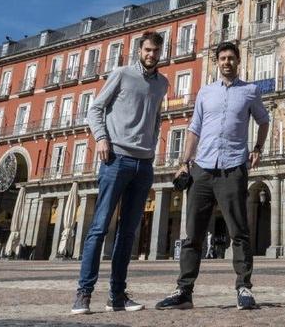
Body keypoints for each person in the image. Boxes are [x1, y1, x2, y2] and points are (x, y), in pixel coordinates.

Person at [156, 41, 270, 312]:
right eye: (222, 58)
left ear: (238, 61)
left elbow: (264, 121)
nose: (226, 62)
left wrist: (257, 148)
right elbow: (194, 130)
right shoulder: (205, 93)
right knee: (192, 234)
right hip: (202, 169)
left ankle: (244, 288)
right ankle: (184, 291)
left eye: (231, 58)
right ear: (217, 62)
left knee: (239, 231)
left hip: (233, 168)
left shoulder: (250, 92)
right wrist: (184, 163)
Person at [71, 31, 169, 316]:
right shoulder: (122, 74)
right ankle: (83, 293)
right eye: (148, 50)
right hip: (116, 159)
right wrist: (101, 138)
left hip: (144, 164)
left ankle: (116, 295)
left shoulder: (162, 83)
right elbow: (96, 108)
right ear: (140, 50)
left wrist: (151, 143)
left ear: (161, 52)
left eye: (156, 51)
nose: (151, 55)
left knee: (128, 233)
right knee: (100, 227)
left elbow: (156, 116)